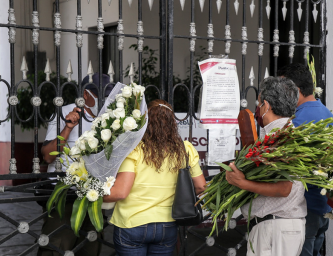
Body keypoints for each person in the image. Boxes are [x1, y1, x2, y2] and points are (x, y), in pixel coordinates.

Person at [103, 99, 207, 256]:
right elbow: (200, 186)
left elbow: (120, 193)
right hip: (167, 225)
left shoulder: (134, 150)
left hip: (132, 224)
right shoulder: (185, 149)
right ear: (173, 122)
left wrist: (91, 195)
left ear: (145, 120)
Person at [226, 77, 307, 256]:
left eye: (260, 104)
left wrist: (243, 183)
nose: (259, 109)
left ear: (267, 105)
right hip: (278, 226)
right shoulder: (285, 134)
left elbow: (285, 188)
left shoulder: (281, 138)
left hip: (275, 226)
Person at [38, 73, 113, 256]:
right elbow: (47, 156)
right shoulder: (64, 112)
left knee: (90, 248)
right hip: (65, 196)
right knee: (55, 247)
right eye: (100, 95)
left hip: (93, 196)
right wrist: (69, 127)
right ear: (86, 95)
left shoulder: (110, 118)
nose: (105, 101)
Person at [278, 63, 333, 256]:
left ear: (298, 91)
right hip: (322, 205)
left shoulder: (297, 122)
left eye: (285, 90)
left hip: (305, 206)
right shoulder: (327, 114)